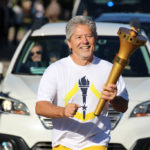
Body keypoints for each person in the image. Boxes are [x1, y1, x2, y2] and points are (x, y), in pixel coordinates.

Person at [35, 16, 129, 150]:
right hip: (64, 142)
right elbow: (40, 106)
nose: (85, 41)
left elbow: (123, 106)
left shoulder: (109, 69)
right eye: (78, 37)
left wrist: (114, 99)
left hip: (97, 141)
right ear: (69, 42)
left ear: (95, 39)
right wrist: (63, 111)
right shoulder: (55, 70)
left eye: (89, 36)